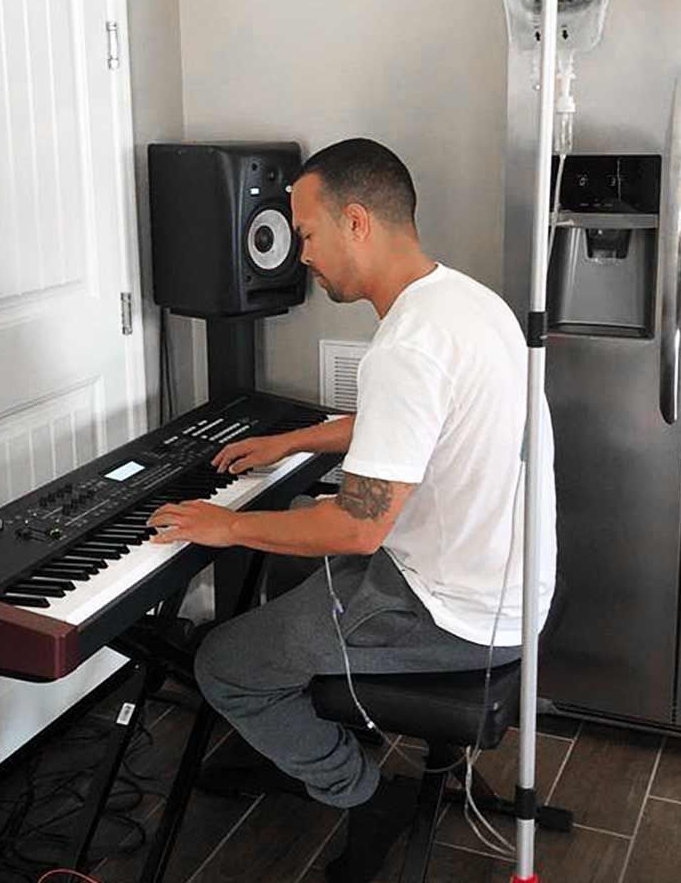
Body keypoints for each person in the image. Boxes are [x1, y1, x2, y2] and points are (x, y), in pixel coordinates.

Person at [148, 137, 557, 883]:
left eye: (307, 234)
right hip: (507, 588)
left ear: (357, 222)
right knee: (287, 581)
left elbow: (357, 527)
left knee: (223, 662)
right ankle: (306, 734)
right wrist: (295, 440)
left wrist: (225, 525)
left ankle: (359, 793)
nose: (302, 254)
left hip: (449, 613)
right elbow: (410, 424)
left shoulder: (407, 348)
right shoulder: (467, 303)